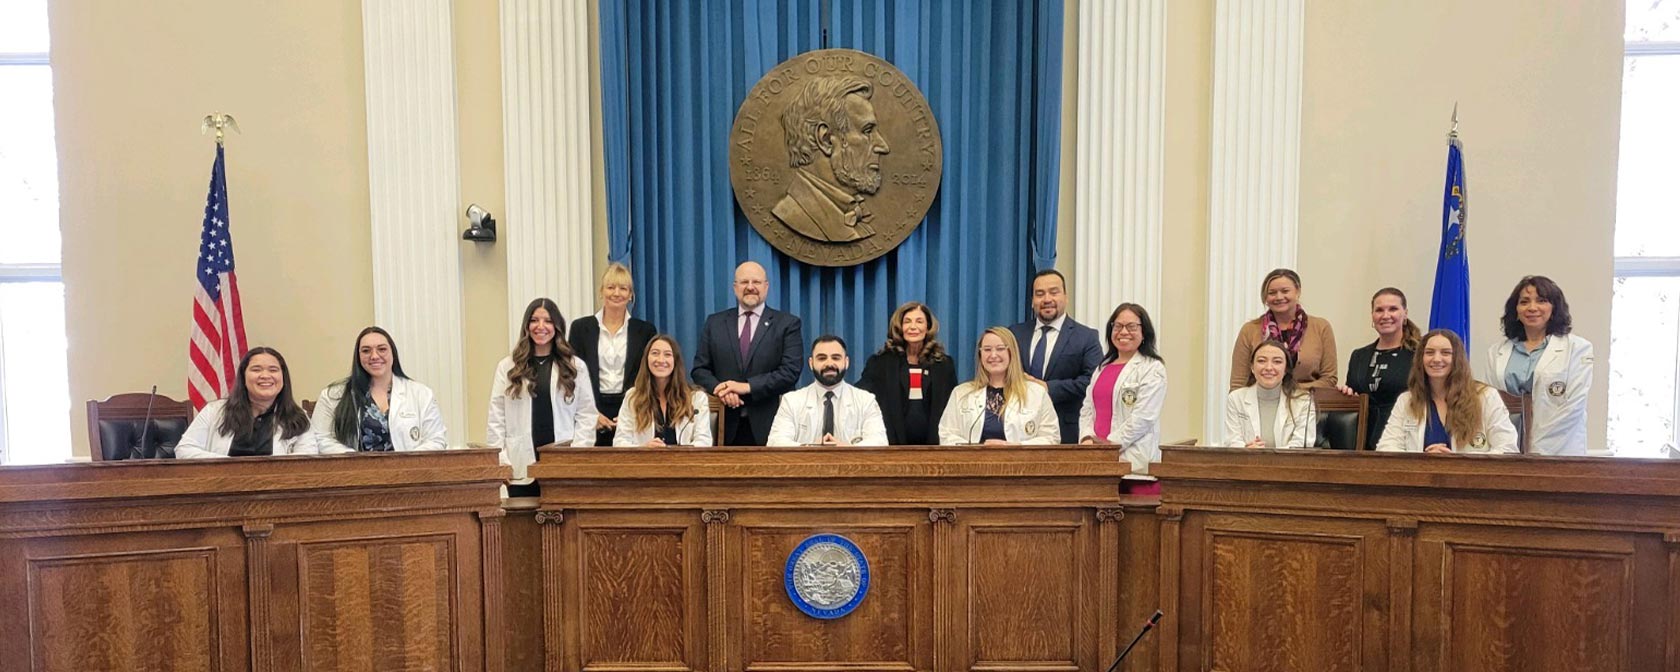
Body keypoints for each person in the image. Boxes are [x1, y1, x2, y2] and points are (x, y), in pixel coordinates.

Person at [489, 298, 598, 497]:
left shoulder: (575, 366)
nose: (541, 326)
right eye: (534, 320)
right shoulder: (507, 367)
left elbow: (587, 415)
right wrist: (501, 461)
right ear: (526, 325)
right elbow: (496, 419)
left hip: (562, 466)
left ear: (557, 326)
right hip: (520, 466)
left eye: (548, 321)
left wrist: (576, 454)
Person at [691, 261, 806, 446]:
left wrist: (746, 387)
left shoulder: (787, 324)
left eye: (756, 282)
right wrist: (722, 390)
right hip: (724, 426)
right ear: (735, 287)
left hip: (770, 425)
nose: (750, 287)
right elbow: (700, 370)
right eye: (744, 282)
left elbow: (790, 372)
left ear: (766, 286)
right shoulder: (715, 323)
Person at [1484, 275, 1593, 456]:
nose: (1532, 308)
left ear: (1554, 308)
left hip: (1559, 449)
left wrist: (1535, 448)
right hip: (1507, 449)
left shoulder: (1578, 349)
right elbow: (1490, 404)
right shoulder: (1496, 352)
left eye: (1541, 301)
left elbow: (1573, 406)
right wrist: (1506, 445)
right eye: (1524, 302)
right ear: (1516, 310)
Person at [1379, 329, 1519, 454]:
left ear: (1457, 359)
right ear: (1420, 359)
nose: (1437, 359)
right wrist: (1422, 459)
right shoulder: (1407, 400)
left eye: (1446, 353)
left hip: (1470, 481)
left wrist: (1456, 463)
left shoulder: (1486, 397)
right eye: (1429, 352)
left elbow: (1507, 449)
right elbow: (1385, 448)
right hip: (1420, 480)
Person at [312, 327, 448, 453]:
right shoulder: (333, 395)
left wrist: (406, 463)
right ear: (358, 357)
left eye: (382, 349)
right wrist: (352, 459)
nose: (374, 356)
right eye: (366, 351)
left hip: (408, 474)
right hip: (353, 474)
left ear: (393, 353)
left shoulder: (421, 394)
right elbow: (320, 438)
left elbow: (436, 439)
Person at [1008, 270, 1103, 443]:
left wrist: (1047, 388)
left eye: (1054, 292)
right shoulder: (1014, 334)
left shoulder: (1086, 337)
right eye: (1039, 294)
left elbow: (1093, 382)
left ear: (1065, 297)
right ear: (1032, 301)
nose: (1047, 299)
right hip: (1017, 435)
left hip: (1066, 432)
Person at [569, 263, 656, 446]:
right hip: (591, 412)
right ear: (601, 291)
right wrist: (591, 414)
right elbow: (571, 375)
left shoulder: (645, 331)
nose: (616, 293)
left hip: (632, 410)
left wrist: (628, 413)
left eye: (623, 288)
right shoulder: (580, 328)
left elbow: (648, 376)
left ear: (631, 295)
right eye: (611, 287)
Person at [176, 347, 316, 458]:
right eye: (256, 369)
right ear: (243, 376)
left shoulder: (298, 417)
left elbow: (307, 458)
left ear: (283, 378)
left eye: (273, 370)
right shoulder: (214, 411)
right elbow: (184, 449)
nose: (265, 376)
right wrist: (231, 467)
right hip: (221, 487)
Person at [1077, 303, 1167, 474]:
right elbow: (1087, 408)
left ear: (1144, 332)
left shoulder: (1153, 368)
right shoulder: (1102, 367)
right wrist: (1087, 438)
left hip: (1131, 458)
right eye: (1117, 326)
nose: (1123, 332)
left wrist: (1109, 445)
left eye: (1131, 327)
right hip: (1095, 457)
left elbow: (1143, 418)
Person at [857, 301, 957, 445]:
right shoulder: (880, 363)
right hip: (892, 448)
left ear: (928, 327)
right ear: (899, 327)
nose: (913, 327)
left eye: (919, 321)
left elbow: (952, 407)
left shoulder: (944, 365)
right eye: (907, 322)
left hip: (935, 448)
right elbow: (862, 397)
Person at [938, 328, 1059, 445]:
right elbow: (946, 435)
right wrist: (979, 450)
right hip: (974, 463)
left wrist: (1017, 446)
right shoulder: (961, 393)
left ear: (1012, 353)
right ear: (980, 355)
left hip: (1021, 464)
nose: (993, 355)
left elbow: (1051, 437)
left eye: (1000, 349)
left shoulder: (1037, 393)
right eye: (987, 349)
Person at [1339, 288, 1422, 449]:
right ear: (1372, 315)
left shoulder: (1418, 355)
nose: (1385, 315)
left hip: (1403, 440)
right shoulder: (1359, 356)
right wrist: (1346, 394)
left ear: (1405, 314)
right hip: (1362, 439)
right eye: (1379, 310)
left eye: (1393, 309)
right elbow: (1354, 396)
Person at [767, 335, 887, 446]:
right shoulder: (791, 401)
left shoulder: (866, 400)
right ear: (811, 363)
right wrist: (811, 448)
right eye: (821, 358)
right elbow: (775, 442)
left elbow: (880, 442)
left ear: (846, 362)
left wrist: (846, 449)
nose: (829, 363)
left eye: (836, 358)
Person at [1229, 268, 1338, 390]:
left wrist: (1291, 391)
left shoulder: (1321, 328)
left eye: (1285, 291)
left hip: (1308, 403)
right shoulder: (1249, 330)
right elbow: (1238, 384)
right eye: (1272, 293)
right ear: (1265, 297)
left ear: (1298, 292)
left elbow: (1329, 379)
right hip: (1260, 403)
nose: (1279, 297)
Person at [614, 335, 714, 447]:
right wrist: (643, 449)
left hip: (683, 463)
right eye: (655, 353)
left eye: (667, 354)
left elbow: (704, 441)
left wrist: (676, 452)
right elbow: (620, 442)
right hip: (647, 463)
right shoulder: (633, 397)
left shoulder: (696, 399)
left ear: (675, 361)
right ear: (646, 359)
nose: (661, 360)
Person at [1223, 340, 1317, 448]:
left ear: (1286, 369)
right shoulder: (1236, 398)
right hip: (1247, 463)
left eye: (1277, 362)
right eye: (1262, 361)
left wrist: (1268, 458)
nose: (1268, 368)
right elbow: (1232, 441)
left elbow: (1302, 444)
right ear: (1252, 367)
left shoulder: (1304, 401)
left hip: (1289, 464)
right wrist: (1247, 449)